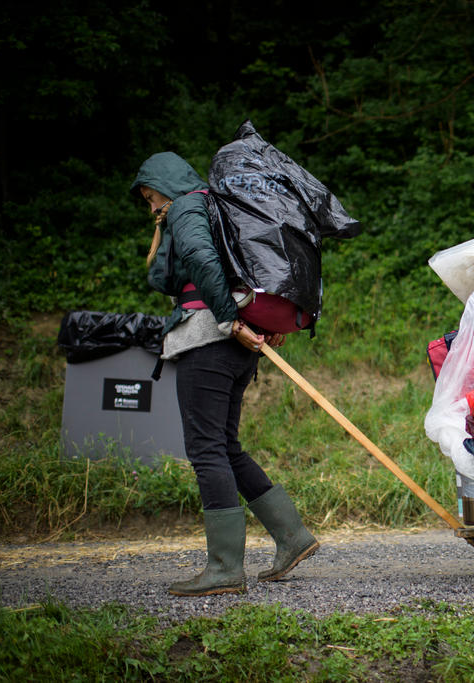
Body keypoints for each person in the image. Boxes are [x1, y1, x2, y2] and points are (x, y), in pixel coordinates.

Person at [132, 152, 320, 596]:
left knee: (206, 450)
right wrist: (241, 323)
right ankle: (292, 537)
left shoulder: (187, 207)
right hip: (235, 345)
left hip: (210, 338)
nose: (152, 206)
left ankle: (223, 569)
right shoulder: (216, 204)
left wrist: (225, 319)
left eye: (151, 195)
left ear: (166, 183)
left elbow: (198, 255)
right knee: (226, 447)